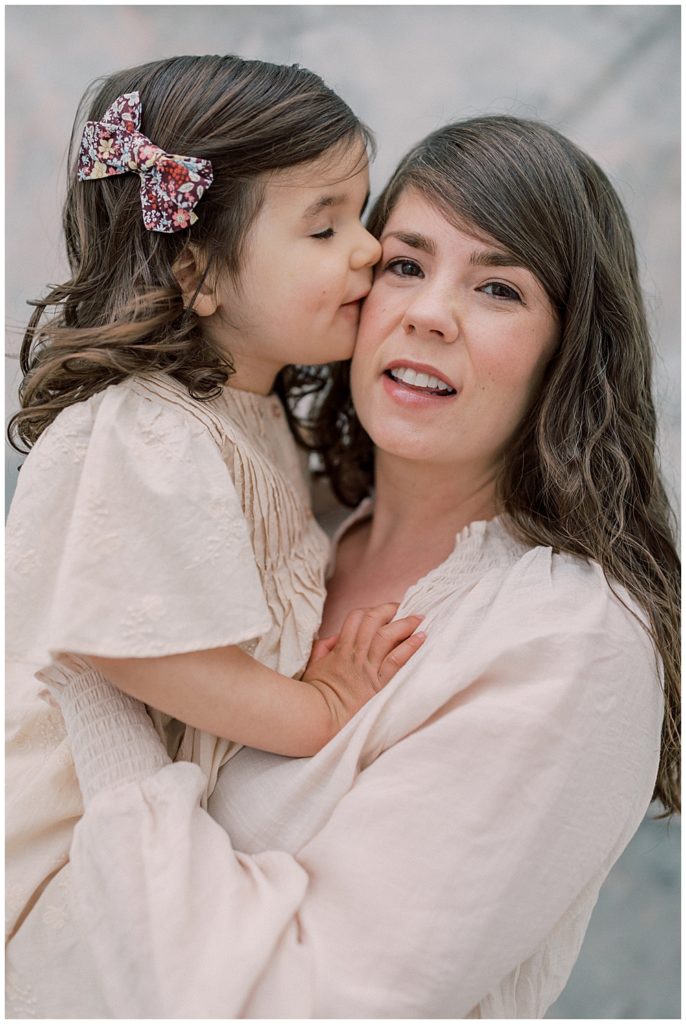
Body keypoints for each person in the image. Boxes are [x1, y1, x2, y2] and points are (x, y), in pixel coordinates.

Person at [6, 116, 679, 1019]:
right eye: (404, 264)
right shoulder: (283, 521)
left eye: (499, 289)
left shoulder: (567, 643)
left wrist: (107, 704)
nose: (429, 312)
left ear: (567, 352)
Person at [5, 55, 426, 945]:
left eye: (360, 213)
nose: (369, 248)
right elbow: (139, 652)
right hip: (64, 851)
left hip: (147, 831)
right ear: (197, 273)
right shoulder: (149, 428)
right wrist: (316, 710)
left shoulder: (246, 410)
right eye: (324, 228)